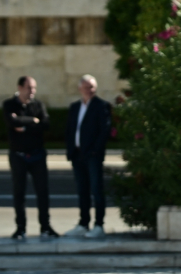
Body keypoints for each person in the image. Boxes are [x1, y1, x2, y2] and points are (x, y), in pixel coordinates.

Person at [2, 75, 58, 240]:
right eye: (29, 88)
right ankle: (21, 228)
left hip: (37, 155)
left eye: (34, 88)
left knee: (43, 192)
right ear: (20, 88)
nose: (32, 91)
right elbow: (12, 122)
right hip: (18, 155)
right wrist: (33, 120)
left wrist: (25, 126)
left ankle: (45, 227)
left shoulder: (38, 105)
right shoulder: (9, 104)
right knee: (19, 192)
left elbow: (45, 124)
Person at [63, 74, 112, 238]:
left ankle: (99, 225)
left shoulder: (102, 106)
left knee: (96, 189)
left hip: (92, 156)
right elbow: (70, 130)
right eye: (86, 87)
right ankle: (83, 224)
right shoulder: (75, 107)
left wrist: (95, 151)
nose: (89, 90)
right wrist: (70, 150)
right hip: (77, 155)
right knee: (82, 190)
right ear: (80, 88)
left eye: (92, 87)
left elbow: (104, 131)